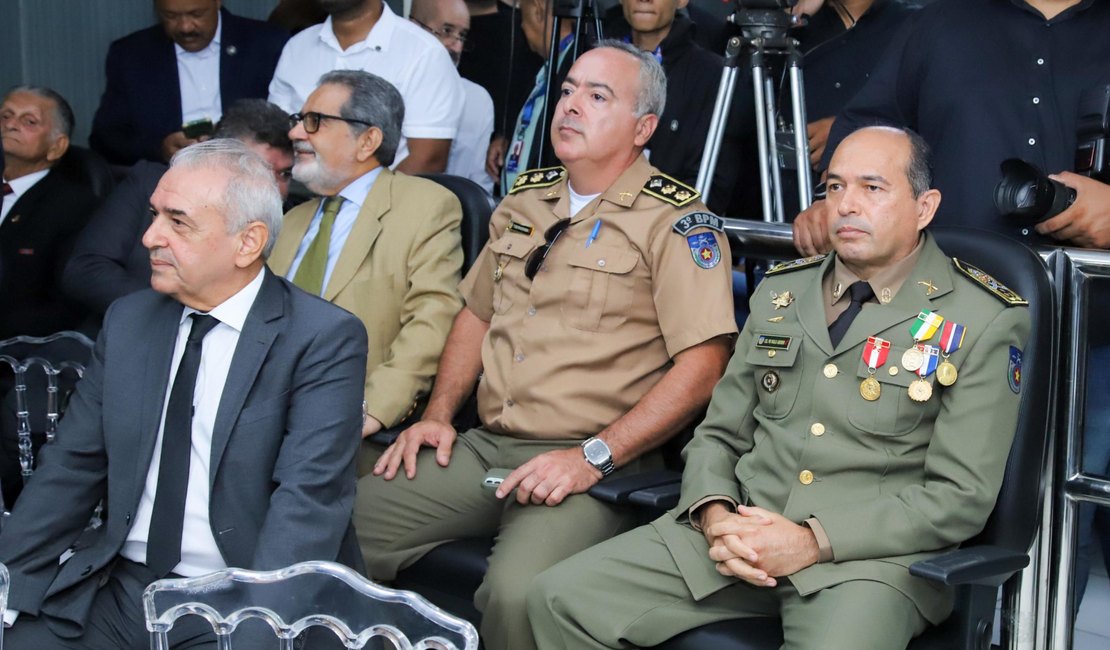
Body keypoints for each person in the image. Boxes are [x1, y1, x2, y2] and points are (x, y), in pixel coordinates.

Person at [529, 125, 1032, 648]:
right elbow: (718, 435)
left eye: (872, 188)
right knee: (557, 599)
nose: (846, 205)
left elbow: (959, 496)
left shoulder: (981, 317)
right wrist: (714, 513)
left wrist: (811, 542)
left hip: (865, 564)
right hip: (734, 538)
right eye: (834, 187)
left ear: (924, 207)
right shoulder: (781, 292)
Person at [355, 41, 737, 650]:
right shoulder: (526, 200)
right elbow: (475, 314)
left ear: (643, 127)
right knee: (337, 526)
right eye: (567, 91)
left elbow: (704, 367)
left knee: (519, 596)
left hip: (593, 460)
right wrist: (436, 414)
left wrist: (592, 458)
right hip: (486, 446)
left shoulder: (677, 221)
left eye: (597, 95)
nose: (571, 106)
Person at [0, 139, 368, 648]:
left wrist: (258, 630)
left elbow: (307, 503)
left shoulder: (321, 337)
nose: (150, 236)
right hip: (120, 586)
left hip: (243, 595)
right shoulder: (130, 320)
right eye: (154, 215)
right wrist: (8, 585)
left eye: (178, 222)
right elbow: (72, 465)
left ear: (248, 242)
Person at [793, 0, 1110, 255]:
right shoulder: (941, 20)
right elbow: (869, 124)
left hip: (1095, 306)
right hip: (946, 303)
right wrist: (833, 201)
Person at [268, 70, 464, 442]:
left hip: (352, 424)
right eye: (298, 121)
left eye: (315, 122)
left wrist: (370, 411)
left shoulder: (426, 207)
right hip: (265, 417)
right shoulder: (290, 221)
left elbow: (432, 321)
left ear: (368, 140)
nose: (295, 133)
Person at [64, 99, 296, 318]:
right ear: (214, 155)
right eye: (256, 169)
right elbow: (85, 269)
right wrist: (175, 317)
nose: (272, 187)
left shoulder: (296, 219)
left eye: (284, 174)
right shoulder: (150, 184)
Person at [268, 0, 464, 174]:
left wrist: (361, 208)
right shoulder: (298, 47)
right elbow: (276, 137)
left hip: (385, 208)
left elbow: (429, 159)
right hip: (300, 200)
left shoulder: (423, 53)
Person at [89, 0, 289, 166]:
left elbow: (289, 122)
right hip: (166, 177)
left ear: (217, 2)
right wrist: (159, 148)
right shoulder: (130, 54)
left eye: (196, 14)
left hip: (252, 172)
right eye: (171, 16)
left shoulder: (267, 43)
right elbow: (106, 137)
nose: (185, 27)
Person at [607, 0, 743, 213]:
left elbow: (715, 182)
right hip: (589, 220)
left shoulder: (713, 74)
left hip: (668, 229)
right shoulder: (594, 61)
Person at [0, 86, 100, 339]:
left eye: (29, 121)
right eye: (5, 116)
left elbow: (66, 304)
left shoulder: (73, 206)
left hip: (20, 351)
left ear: (57, 146)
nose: (11, 125)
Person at [489, 0, 579, 194]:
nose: (521, 24)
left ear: (537, 9)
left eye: (522, 14)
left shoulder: (578, 64)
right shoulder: (549, 66)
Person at [411, 0, 496, 193]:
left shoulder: (478, 99)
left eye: (462, 36)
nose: (456, 47)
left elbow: (480, 183)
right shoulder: (391, 85)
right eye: (447, 31)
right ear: (414, 27)